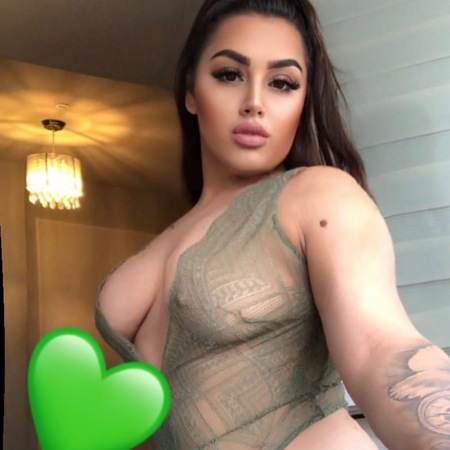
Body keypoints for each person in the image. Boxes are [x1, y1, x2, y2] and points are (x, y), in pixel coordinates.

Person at [95, 0, 450, 449]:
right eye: (229, 75)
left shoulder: (317, 195)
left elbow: (381, 348)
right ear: (190, 91)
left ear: (303, 101)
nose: (254, 103)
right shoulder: (170, 236)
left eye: (282, 83)